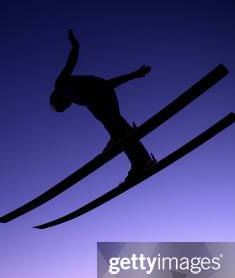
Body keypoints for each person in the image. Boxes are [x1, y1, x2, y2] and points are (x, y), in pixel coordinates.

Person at [50, 29, 156, 182]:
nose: (68, 105)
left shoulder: (61, 84)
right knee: (117, 127)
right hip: (103, 96)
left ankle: (140, 161)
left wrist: (75, 46)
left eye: (63, 105)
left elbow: (71, 62)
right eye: (66, 107)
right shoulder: (80, 97)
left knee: (114, 124)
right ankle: (139, 157)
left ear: (57, 98)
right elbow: (108, 84)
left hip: (102, 95)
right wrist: (133, 75)